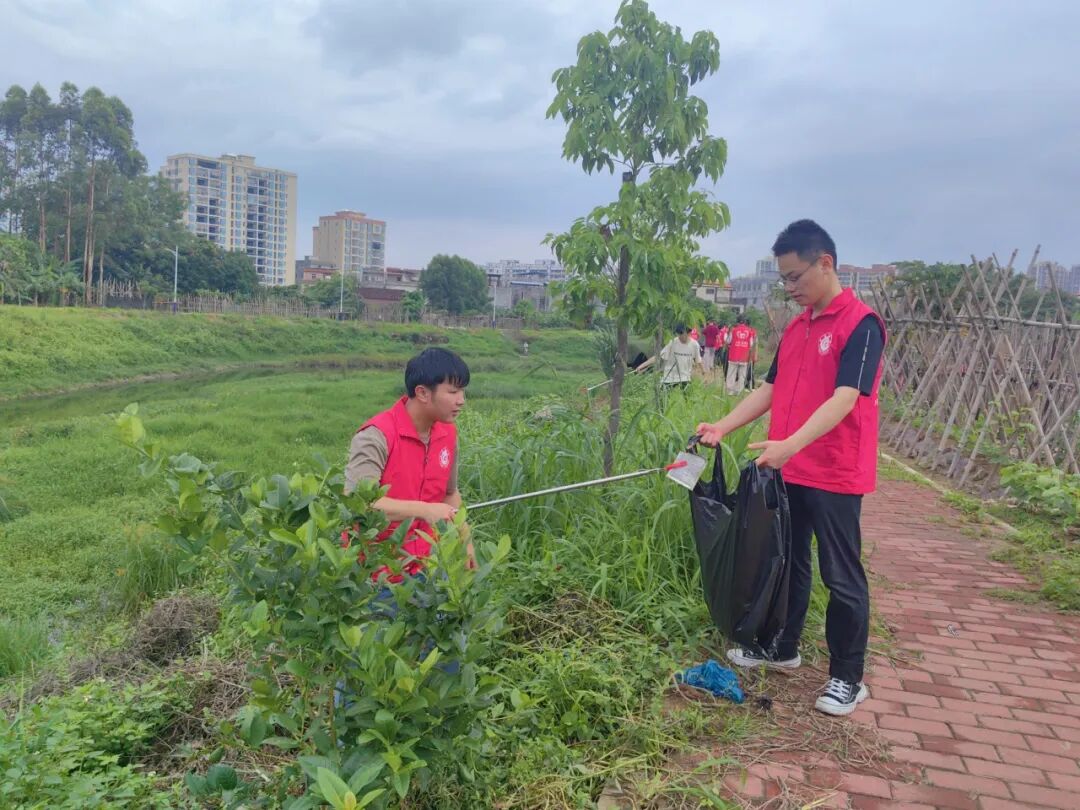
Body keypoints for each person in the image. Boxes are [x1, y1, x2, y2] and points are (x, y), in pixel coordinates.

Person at [696, 219, 886, 717]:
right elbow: (771, 388)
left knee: (840, 574)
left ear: (826, 263)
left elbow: (846, 398)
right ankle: (783, 647)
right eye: (783, 279)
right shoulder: (798, 328)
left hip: (835, 472)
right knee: (789, 562)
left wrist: (789, 445)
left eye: (795, 277)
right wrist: (723, 425)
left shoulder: (861, 324)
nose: (789, 288)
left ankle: (848, 677)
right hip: (791, 468)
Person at [345, 347, 473, 579]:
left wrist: (465, 538)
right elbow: (359, 506)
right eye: (453, 392)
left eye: (462, 392)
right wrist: (425, 510)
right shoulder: (376, 436)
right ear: (423, 393)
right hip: (377, 573)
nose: (461, 401)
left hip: (430, 563)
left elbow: (450, 493)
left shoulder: (447, 434)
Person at [633, 324, 702, 389]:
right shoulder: (673, 342)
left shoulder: (694, 345)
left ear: (689, 333)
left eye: (682, 333)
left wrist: (701, 374)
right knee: (662, 399)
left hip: (685, 379)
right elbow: (658, 357)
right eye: (678, 334)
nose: (680, 336)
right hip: (669, 379)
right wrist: (642, 366)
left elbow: (698, 362)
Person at [725, 315, 755, 395]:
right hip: (744, 357)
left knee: (731, 373)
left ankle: (730, 390)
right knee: (742, 374)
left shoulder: (734, 330)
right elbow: (751, 344)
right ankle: (738, 390)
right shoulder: (750, 331)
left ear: (737, 322)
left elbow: (728, 341)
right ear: (745, 322)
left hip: (734, 356)